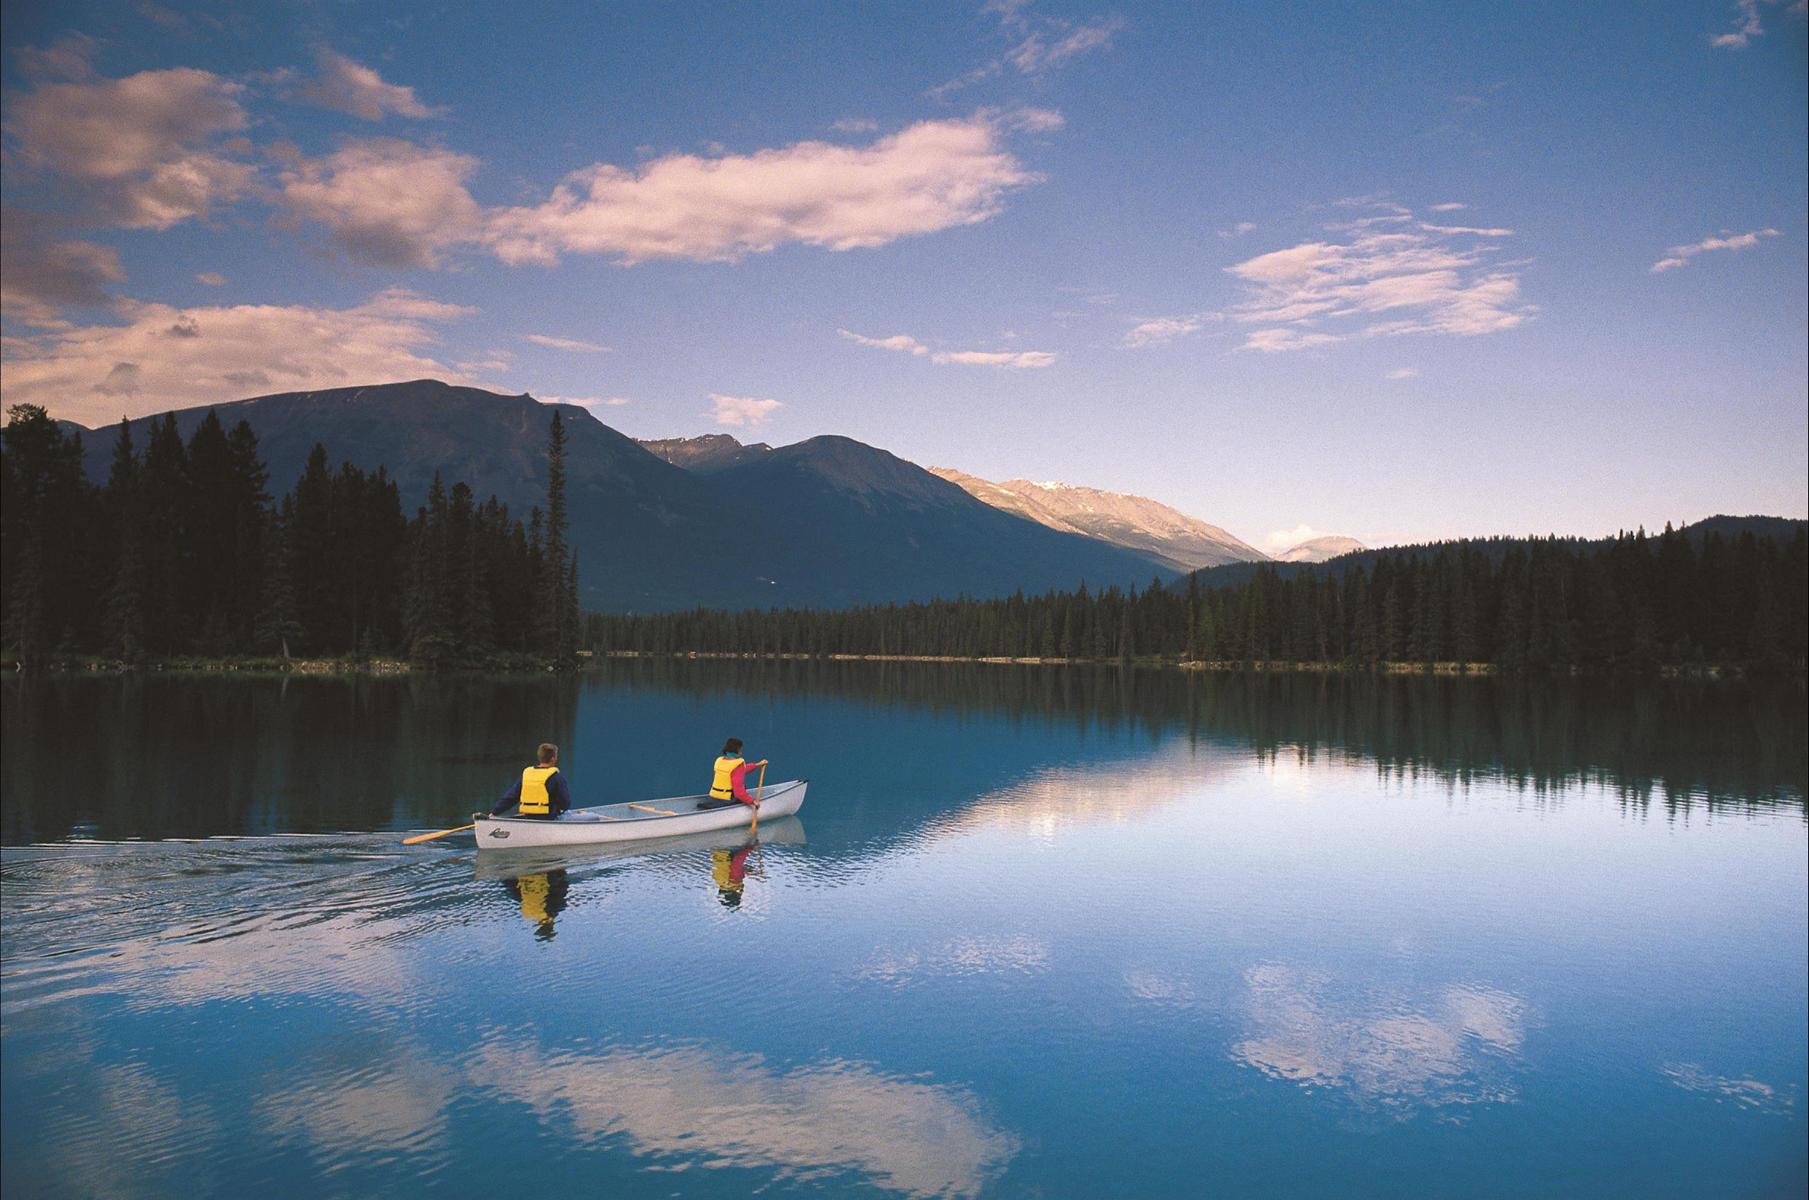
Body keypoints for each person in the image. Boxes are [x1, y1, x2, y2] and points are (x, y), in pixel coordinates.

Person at [491, 743, 571, 820]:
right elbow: (565, 804)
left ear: (540, 757)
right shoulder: (556, 777)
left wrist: (494, 812)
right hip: (550, 819)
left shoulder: (526, 774)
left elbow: (511, 798)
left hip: (529, 817)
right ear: (553, 759)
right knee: (576, 816)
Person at [709, 738, 769, 808]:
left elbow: (741, 770)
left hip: (714, 797)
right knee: (742, 791)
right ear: (737, 751)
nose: (741, 752)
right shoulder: (737, 765)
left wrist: (757, 764)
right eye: (741, 750)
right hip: (728, 800)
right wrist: (752, 801)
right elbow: (738, 793)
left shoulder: (720, 761)